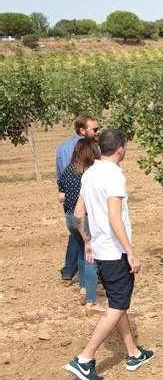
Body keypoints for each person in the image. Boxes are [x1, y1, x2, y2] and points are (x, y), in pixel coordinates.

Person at [65, 129, 153, 380]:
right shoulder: (114, 176)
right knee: (117, 307)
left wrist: (88, 242)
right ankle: (84, 358)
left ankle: (134, 353)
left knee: (118, 302)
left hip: (101, 251)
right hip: (116, 253)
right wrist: (131, 252)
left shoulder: (90, 172)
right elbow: (115, 219)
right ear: (120, 149)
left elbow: (79, 212)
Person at [58, 139, 105, 314]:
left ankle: (84, 288)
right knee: (91, 257)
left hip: (69, 218)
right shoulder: (88, 174)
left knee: (80, 251)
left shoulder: (67, 171)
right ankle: (91, 300)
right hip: (83, 218)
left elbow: (61, 195)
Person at [56, 115, 101, 282]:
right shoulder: (86, 149)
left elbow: (60, 175)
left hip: (69, 203)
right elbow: (86, 178)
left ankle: (69, 271)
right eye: (95, 129)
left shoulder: (62, 147)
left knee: (78, 238)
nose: (98, 132)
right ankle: (90, 287)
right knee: (88, 245)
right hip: (84, 205)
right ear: (83, 130)